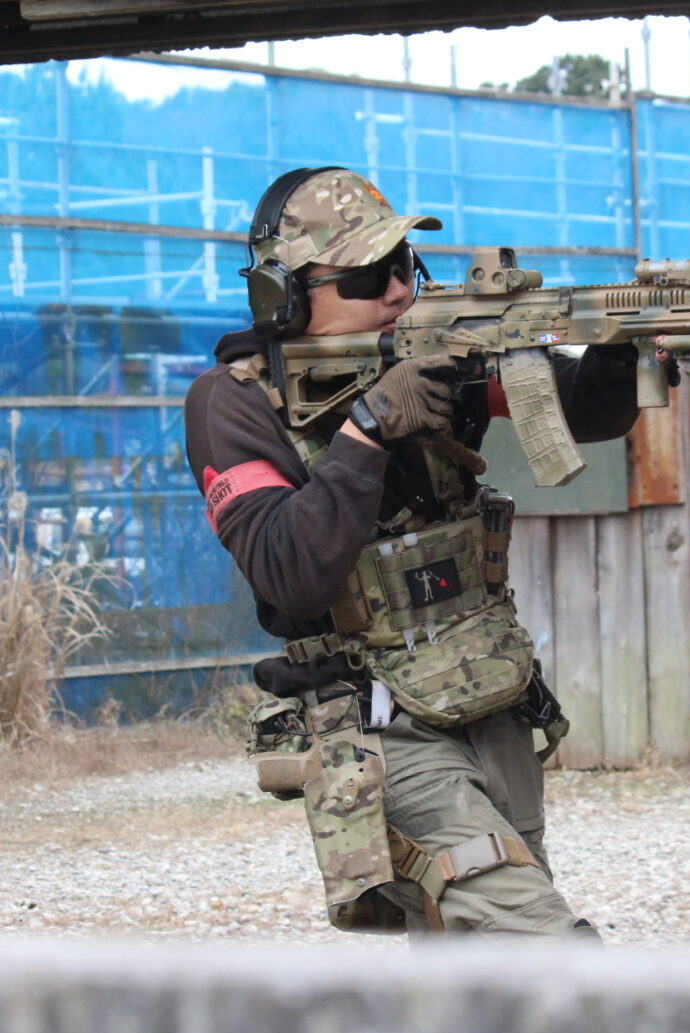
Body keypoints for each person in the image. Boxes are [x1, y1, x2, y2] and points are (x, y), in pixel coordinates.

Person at [183, 167, 645, 937]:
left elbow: (583, 407)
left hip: (490, 694)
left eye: (405, 265)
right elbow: (288, 571)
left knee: (474, 955)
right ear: (281, 295)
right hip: (376, 724)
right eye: (370, 276)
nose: (400, 290)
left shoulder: (434, 359)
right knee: (534, 935)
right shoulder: (235, 403)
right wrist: (367, 430)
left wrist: (621, 346)